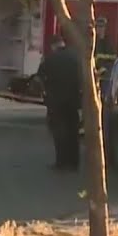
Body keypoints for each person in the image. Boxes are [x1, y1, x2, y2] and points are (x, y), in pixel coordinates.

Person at [37, 35, 82, 170]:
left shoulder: (50, 59)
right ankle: (74, 162)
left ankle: (61, 162)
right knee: (73, 131)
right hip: (73, 100)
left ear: (53, 46)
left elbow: (40, 77)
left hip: (56, 101)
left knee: (59, 132)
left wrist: (45, 91)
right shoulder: (75, 57)